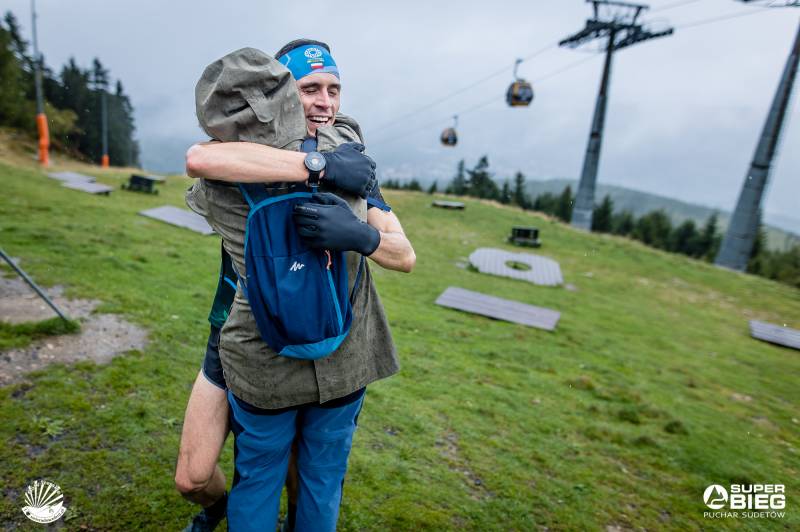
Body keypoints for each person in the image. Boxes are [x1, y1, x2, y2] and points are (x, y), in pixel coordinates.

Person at [177, 41, 415, 532]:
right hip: (274, 354)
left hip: (323, 357)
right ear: (281, 95)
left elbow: (405, 255)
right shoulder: (331, 161)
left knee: (281, 474)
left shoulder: (351, 161)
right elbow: (201, 159)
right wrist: (321, 167)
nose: (325, 102)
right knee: (300, 476)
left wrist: (363, 236)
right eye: (309, 89)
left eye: (334, 89)